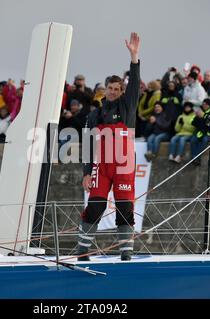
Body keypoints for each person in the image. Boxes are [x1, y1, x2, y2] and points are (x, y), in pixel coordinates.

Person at [78, 32, 140, 262]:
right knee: (95, 207)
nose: (113, 91)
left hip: (124, 165)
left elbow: (134, 83)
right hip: (101, 166)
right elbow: (87, 144)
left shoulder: (128, 106)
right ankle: (83, 252)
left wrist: (134, 57)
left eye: (117, 88)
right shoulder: (94, 115)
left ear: (122, 91)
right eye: (110, 88)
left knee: (125, 208)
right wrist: (86, 172)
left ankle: (126, 252)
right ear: (104, 89)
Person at [190, 98, 210, 166]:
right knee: (193, 140)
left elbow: (209, 125)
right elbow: (194, 123)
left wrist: (203, 117)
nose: (204, 106)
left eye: (206, 104)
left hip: (209, 132)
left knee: (204, 140)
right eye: (203, 104)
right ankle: (194, 157)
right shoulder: (200, 111)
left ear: (209, 105)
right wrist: (198, 117)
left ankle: (197, 158)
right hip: (200, 131)